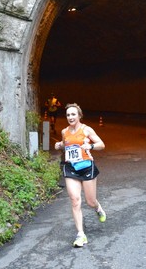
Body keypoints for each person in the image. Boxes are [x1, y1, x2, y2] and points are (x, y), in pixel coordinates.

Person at [54, 103, 106, 248]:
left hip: (86, 167)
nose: (70, 117)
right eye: (68, 115)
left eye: (73, 114)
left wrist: (91, 146)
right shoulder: (65, 131)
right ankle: (80, 234)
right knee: (75, 200)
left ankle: (98, 208)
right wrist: (60, 145)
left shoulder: (86, 129)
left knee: (90, 201)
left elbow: (101, 144)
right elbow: (66, 144)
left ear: (79, 115)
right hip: (71, 167)